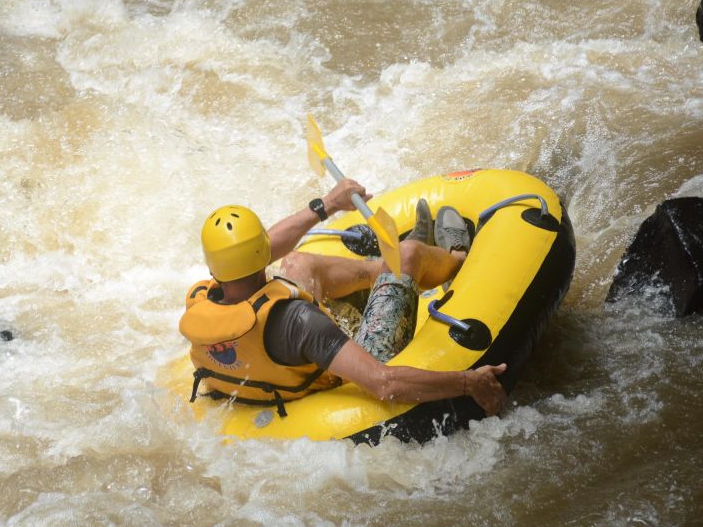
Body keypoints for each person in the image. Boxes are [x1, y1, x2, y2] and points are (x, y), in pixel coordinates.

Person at [179, 177, 507, 417]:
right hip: (333, 378)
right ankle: (454, 256)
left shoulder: (203, 298)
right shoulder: (298, 320)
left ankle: (383, 270)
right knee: (407, 254)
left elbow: (264, 250)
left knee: (297, 262)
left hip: (275, 374)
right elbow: (384, 383)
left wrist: (327, 205)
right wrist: (469, 383)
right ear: (260, 253)